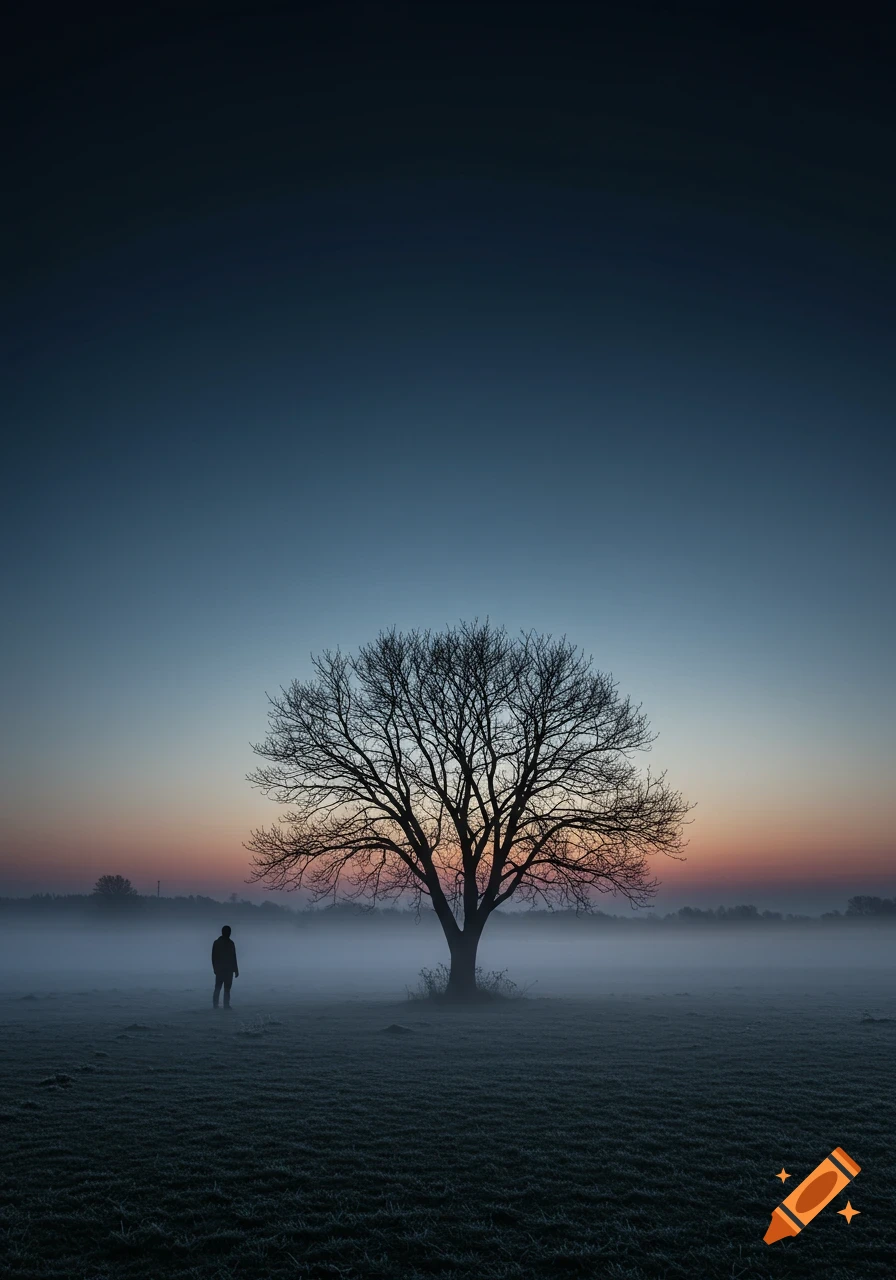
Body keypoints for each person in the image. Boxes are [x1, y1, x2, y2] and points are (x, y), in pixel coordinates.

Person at [212, 925, 239, 1009]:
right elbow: (213, 957)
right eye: (227, 932)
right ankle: (216, 1005)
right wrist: (215, 968)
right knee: (218, 988)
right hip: (221, 970)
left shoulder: (231, 943)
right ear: (223, 932)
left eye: (229, 932)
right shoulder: (217, 943)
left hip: (228, 970)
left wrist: (236, 969)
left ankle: (226, 1005)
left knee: (227, 989)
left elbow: (234, 957)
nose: (229, 933)